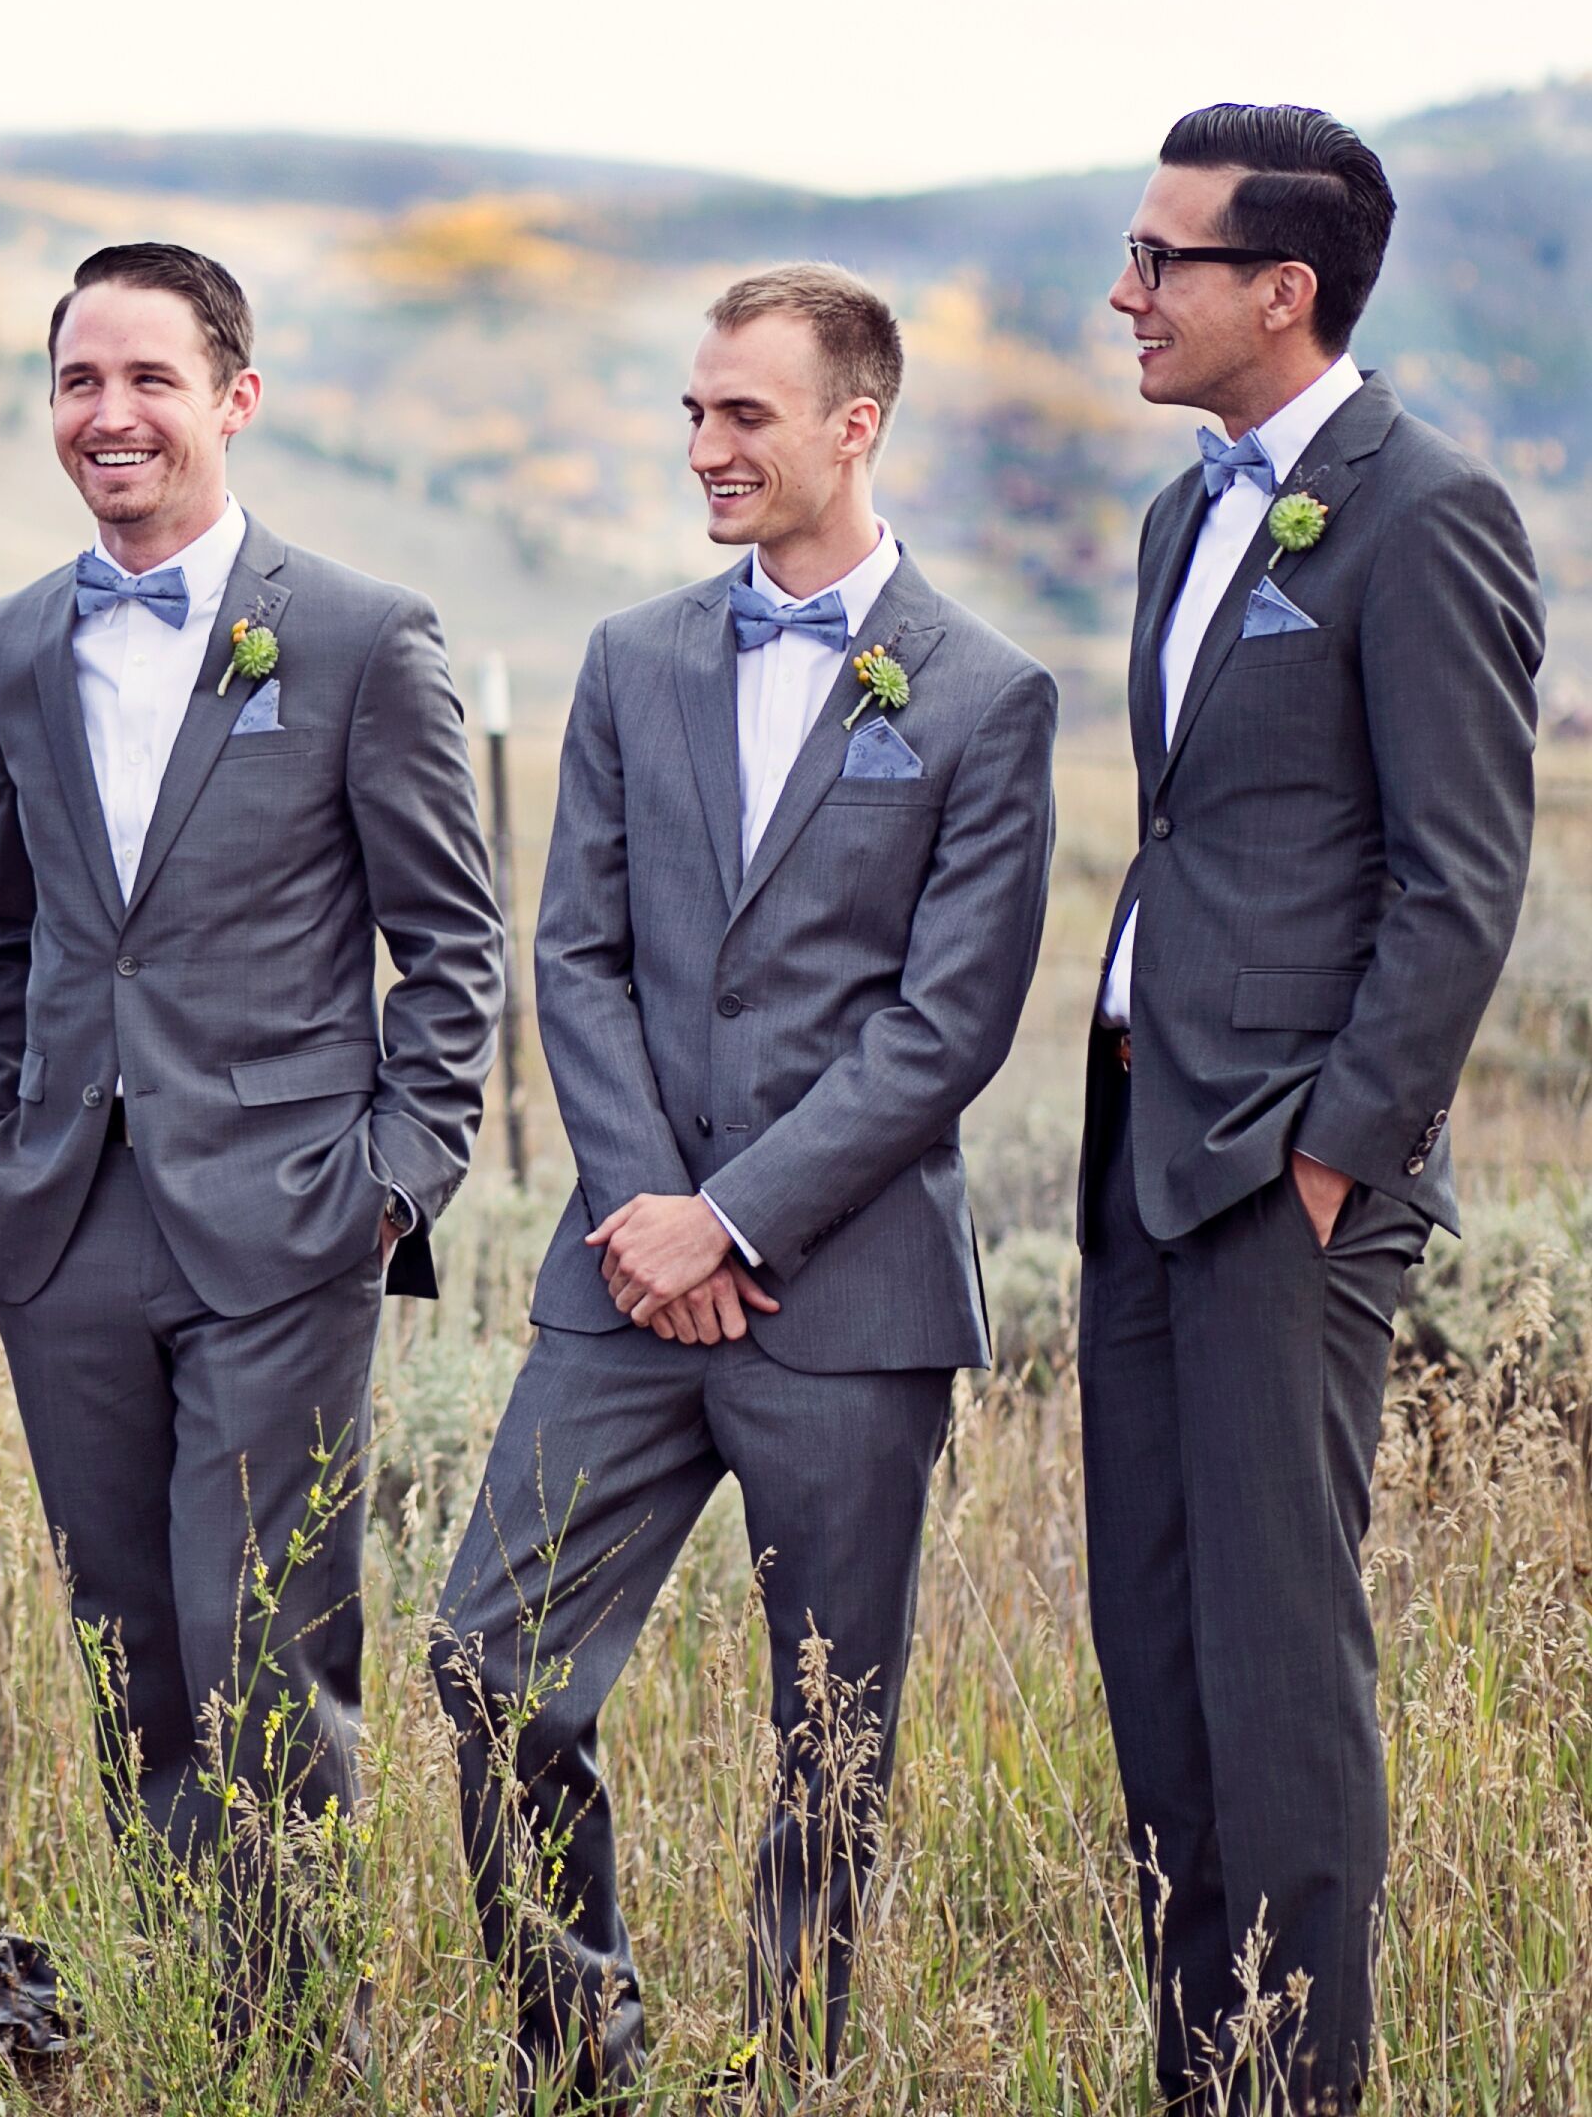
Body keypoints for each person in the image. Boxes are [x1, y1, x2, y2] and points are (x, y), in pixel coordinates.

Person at [426, 265, 1057, 2106]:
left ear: (855, 426)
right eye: (694, 410)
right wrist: (650, 1213)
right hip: (622, 1281)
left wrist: (742, 1216)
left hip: (847, 1302)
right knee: (488, 1666)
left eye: (744, 416)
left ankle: (790, 2079)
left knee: (829, 1737)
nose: (705, 445)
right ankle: (582, 2054)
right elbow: (580, 958)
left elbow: (946, 1029)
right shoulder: (630, 659)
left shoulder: (986, 696)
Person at [0, 241, 502, 2062]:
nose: (110, 417)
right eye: (77, 383)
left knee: (268, 1656)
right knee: (128, 1663)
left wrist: (397, 1182)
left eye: (150, 381)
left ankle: (293, 2051)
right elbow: (16, 930)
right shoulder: (12, 641)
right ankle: (192, 2017)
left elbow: (452, 944)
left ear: (234, 399)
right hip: (62, 1226)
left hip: (285, 1226)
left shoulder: (356, 634)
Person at [1082, 106, 1541, 2113]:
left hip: (1284, 1183)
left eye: (1164, 259)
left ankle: (1296, 2093)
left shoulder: (1425, 508)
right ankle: (1207, 2083)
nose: (1127, 294)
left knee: (1276, 1680)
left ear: (1284, 290)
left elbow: (1461, 875)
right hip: (1133, 1159)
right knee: (1159, 1667)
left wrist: (1341, 1155)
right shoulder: (1192, 516)